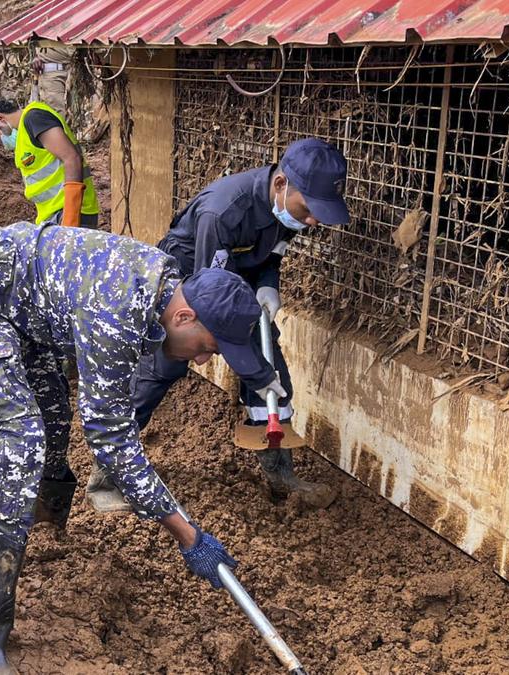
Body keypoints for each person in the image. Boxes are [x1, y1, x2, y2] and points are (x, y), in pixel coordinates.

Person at [0, 222, 276, 673]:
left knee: (54, 420)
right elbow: (111, 436)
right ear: (184, 318)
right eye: (208, 347)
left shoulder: (161, 285)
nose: (201, 359)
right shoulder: (118, 308)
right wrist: (189, 536)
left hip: (25, 311)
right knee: (20, 444)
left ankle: (40, 532)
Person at [114, 137, 350, 511]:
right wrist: (246, 360)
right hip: (191, 282)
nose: (312, 220)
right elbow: (210, 296)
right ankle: (111, 468)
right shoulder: (224, 212)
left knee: (270, 370)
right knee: (161, 369)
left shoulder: (285, 209)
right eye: (308, 209)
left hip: (236, 283)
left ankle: (280, 475)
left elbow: (271, 256)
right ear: (280, 184)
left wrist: (268, 285)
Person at [0, 97, 100, 228]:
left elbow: (71, 158)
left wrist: (70, 219)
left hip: (72, 213)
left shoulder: (35, 118)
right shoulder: (23, 136)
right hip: (55, 216)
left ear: (0, 119)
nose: (1, 145)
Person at [31, 45, 73, 111]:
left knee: (61, 110)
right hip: (49, 73)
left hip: (67, 70)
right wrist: (37, 56)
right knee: (54, 109)